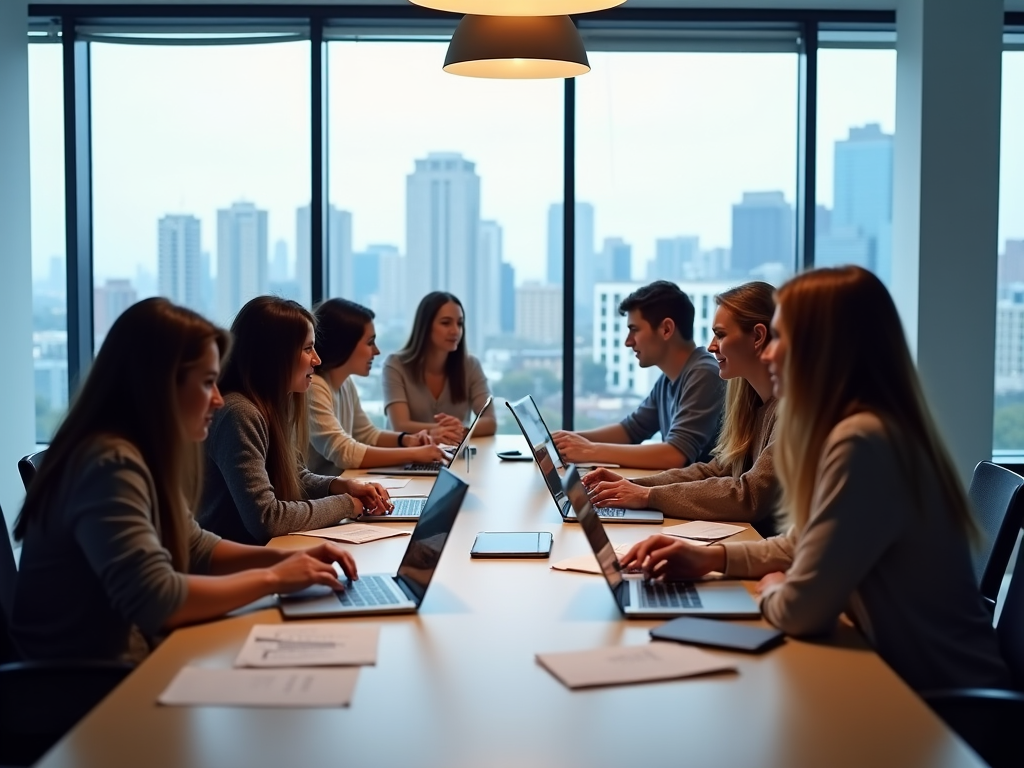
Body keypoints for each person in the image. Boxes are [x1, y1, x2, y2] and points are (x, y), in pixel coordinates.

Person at [622, 267, 1010, 693]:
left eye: (781, 338)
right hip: (906, 681)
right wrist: (712, 559)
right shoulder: (865, 428)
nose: (769, 354)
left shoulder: (864, 442)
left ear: (823, 348)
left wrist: (773, 583)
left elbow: (800, 611)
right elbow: (806, 540)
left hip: (945, 713)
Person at [9, 298, 360, 662]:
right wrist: (274, 578)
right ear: (160, 384)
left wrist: (281, 561)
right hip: (85, 685)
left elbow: (196, 546)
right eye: (208, 382)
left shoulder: (140, 451)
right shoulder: (108, 462)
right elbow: (156, 600)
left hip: (131, 658)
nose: (218, 400)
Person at [582, 282, 780, 537]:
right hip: (751, 539)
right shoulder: (750, 403)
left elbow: (748, 496)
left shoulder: (789, 413)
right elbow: (715, 469)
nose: (711, 346)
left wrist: (647, 495)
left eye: (720, 335)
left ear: (758, 337)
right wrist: (631, 486)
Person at [198, 296, 392, 546]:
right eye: (308, 348)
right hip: (234, 567)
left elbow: (292, 474)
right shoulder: (239, 413)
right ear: (275, 355)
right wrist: (346, 504)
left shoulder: (271, 404)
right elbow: (267, 520)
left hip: (262, 554)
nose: (317, 360)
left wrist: (340, 486)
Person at [553, 280, 725, 469]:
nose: (628, 342)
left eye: (634, 330)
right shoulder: (669, 380)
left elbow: (674, 455)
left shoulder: (704, 374)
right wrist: (565, 441)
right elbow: (630, 431)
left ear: (666, 329)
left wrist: (590, 450)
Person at [307, 297, 449, 474]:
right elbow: (345, 452)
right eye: (370, 342)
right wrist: (413, 454)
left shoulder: (345, 383)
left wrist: (406, 440)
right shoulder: (313, 387)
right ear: (345, 344)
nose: (377, 350)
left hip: (340, 486)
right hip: (317, 498)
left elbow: (366, 434)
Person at [383, 291, 495, 443]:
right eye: (446, 323)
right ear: (425, 326)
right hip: (406, 460)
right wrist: (439, 431)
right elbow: (400, 425)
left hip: (452, 460)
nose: (455, 330)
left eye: (459, 323)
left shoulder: (470, 365)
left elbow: (490, 422)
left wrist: (460, 430)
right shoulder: (395, 365)